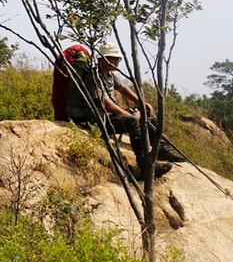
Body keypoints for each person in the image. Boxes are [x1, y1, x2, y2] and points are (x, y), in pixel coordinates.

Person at [64, 43, 183, 177]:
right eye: (113, 59)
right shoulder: (93, 76)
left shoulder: (108, 73)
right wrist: (130, 116)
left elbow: (122, 88)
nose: (117, 62)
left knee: (148, 116)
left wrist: (141, 103)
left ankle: (161, 150)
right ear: (103, 58)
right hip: (93, 118)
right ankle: (145, 165)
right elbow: (106, 103)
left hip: (106, 115)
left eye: (117, 59)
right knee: (132, 121)